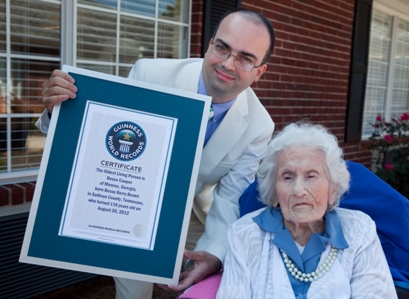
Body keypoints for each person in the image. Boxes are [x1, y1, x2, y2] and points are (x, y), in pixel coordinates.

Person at [37, 8, 276, 299]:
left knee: (219, 280)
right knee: (135, 292)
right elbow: (101, 140)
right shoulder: (150, 74)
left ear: (260, 71)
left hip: (193, 211)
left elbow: (229, 198)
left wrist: (214, 255)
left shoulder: (259, 126)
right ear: (210, 43)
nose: (227, 63)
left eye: (245, 58)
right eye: (222, 47)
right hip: (131, 198)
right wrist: (59, 110)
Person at [216, 122, 397, 298]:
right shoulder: (244, 233)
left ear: (332, 189)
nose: (298, 190)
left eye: (311, 176)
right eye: (287, 177)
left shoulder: (359, 230)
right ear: (274, 193)